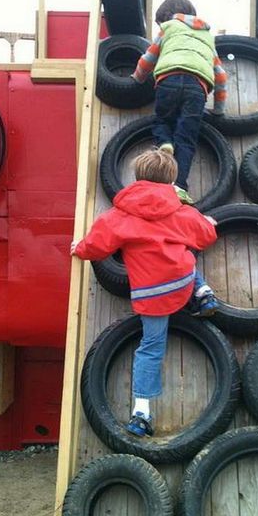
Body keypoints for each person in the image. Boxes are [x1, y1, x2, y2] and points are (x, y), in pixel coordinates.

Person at [71, 149, 218, 438]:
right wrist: (208, 223)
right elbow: (206, 235)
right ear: (171, 179)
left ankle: (141, 412)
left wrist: (79, 248)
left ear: (137, 177)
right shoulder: (181, 209)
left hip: (152, 294)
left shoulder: (118, 215)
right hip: (181, 280)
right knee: (185, 251)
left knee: (151, 348)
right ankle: (203, 292)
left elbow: (97, 247)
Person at [131, 0, 227, 203]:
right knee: (187, 137)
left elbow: (149, 57)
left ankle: (165, 142)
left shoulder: (168, 28)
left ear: (165, 17)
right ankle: (179, 186)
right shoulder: (207, 37)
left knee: (162, 119)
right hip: (198, 87)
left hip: (169, 79)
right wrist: (219, 108)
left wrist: (137, 78)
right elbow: (220, 75)